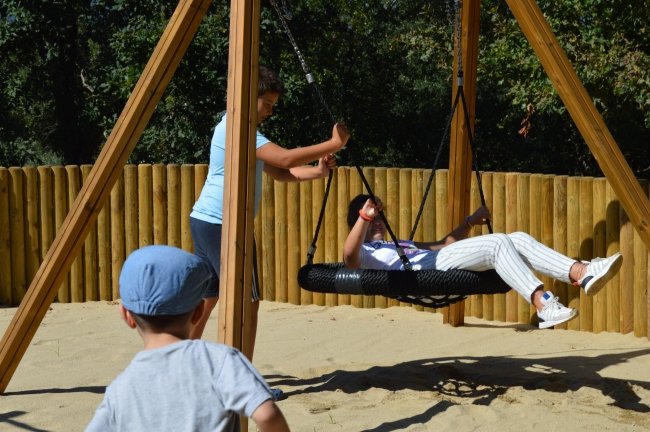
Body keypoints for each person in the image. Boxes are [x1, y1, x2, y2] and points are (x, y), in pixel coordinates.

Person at [189, 65, 349, 351]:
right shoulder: (238, 128)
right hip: (225, 224)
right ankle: (242, 372)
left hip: (206, 220)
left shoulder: (239, 130)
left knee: (208, 296)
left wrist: (318, 171)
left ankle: (178, 360)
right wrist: (333, 143)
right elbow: (286, 159)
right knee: (246, 303)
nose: (270, 111)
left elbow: (282, 172)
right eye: (267, 104)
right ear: (247, 97)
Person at [85, 245, 291, 432]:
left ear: (126, 316)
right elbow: (267, 415)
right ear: (199, 311)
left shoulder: (120, 389)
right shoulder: (220, 361)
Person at [343, 194, 623, 329]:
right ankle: (542, 304)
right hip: (420, 274)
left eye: (379, 217)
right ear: (358, 221)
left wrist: (469, 222)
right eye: (371, 218)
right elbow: (349, 258)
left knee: (518, 238)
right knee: (498, 243)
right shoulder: (366, 252)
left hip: (439, 260)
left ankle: (581, 272)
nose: (377, 221)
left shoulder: (398, 244)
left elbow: (444, 245)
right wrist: (364, 216)